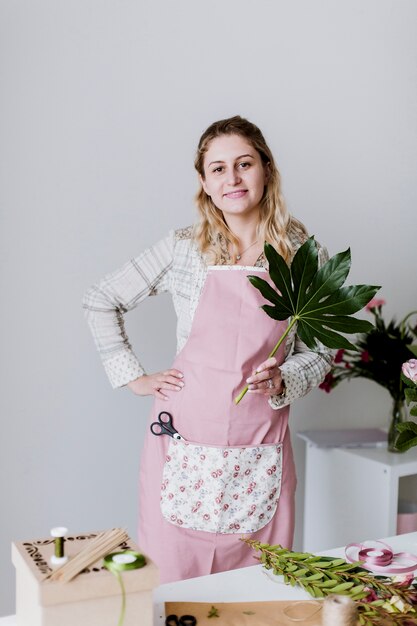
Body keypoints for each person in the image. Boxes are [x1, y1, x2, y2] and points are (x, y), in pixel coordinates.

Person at [83, 115, 332, 583]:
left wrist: (285, 377)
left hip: (261, 448)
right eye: (218, 168)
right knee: (174, 594)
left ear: (266, 170)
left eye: (244, 163)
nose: (232, 178)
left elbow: (320, 352)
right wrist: (132, 375)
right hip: (184, 443)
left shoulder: (303, 253)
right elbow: (101, 299)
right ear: (203, 181)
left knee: (259, 593)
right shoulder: (184, 248)